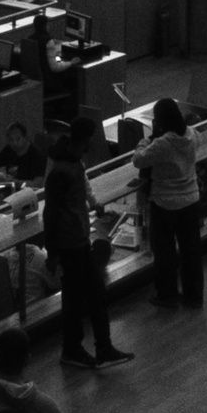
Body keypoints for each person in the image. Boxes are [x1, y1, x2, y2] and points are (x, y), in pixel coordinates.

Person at [41, 135, 129, 369]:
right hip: (71, 245)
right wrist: (53, 252)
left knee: (86, 296)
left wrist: (94, 203)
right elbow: (51, 213)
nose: (86, 150)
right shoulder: (61, 171)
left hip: (77, 243)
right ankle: (81, 349)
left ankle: (94, 348)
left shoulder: (73, 165)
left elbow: (79, 193)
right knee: (79, 298)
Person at [138, 98, 203, 308]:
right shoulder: (192, 134)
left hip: (164, 204)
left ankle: (167, 294)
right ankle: (194, 295)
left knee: (164, 252)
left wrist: (145, 141)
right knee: (190, 251)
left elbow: (138, 159)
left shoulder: (162, 144)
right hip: (191, 200)